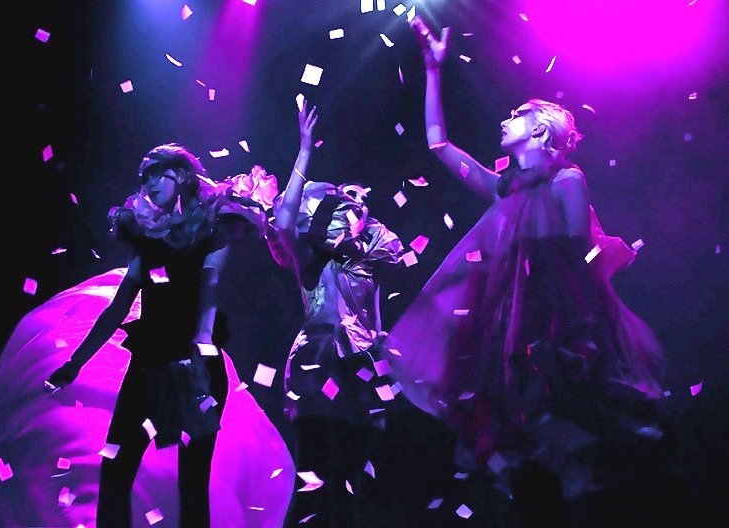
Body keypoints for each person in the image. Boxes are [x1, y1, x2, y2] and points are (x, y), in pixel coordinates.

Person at [384, 16, 667, 526]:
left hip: (553, 326)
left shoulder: (567, 179)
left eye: (516, 116)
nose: (504, 120)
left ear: (539, 130)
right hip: (509, 326)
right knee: (514, 436)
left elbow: (574, 259)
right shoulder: (506, 187)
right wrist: (434, 70)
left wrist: (577, 334)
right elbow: (439, 146)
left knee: (552, 427)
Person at [43, 143, 283, 527]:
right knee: (115, 467)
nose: (149, 182)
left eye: (158, 172)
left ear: (182, 176)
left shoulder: (211, 231)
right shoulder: (146, 238)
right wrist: (76, 362)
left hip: (195, 365)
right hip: (148, 364)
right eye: (145, 176)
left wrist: (200, 354)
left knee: (192, 484)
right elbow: (118, 306)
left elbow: (209, 291)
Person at [266, 101, 407, 527]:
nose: (352, 207)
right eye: (344, 200)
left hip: (359, 369)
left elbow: (374, 325)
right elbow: (284, 224)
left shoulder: (369, 265)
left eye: (358, 203)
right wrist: (304, 151)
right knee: (314, 476)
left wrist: (384, 358)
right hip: (318, 363)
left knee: (352, 480)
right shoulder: (311, 259)